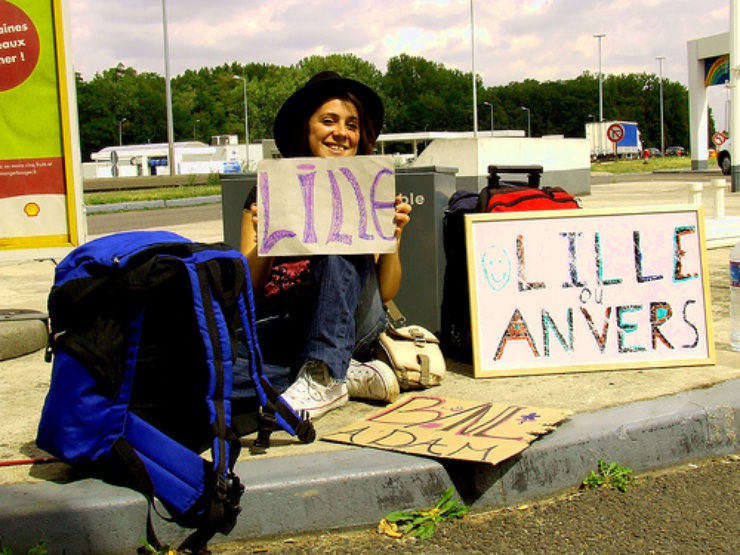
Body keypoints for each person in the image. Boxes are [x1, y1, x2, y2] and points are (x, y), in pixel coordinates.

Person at [239, 71, 412, 420]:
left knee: (336, 238)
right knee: (216, 359)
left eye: (352, 124)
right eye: (329, 121)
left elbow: (387, 291)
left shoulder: (368, 190)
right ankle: (342, 373)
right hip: (285, 323)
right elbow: (250, 282)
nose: (341, 133)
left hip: (356, 324)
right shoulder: (268, 190)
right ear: (307, 127)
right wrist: (265, 238)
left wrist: (393, 238)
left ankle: (323, 370)